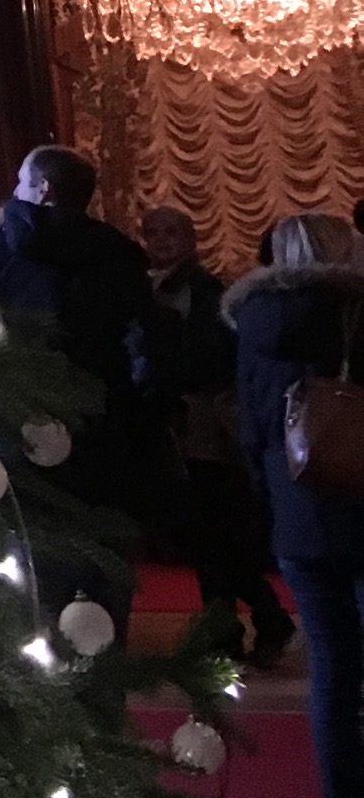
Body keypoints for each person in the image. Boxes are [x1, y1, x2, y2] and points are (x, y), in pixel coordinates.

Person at [0, 144, 158, 636]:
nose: (14, 190)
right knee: (104, 551)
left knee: (29, 551)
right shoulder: (119, 256)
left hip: (17, 424)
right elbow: (148, 345)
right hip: (106, 425)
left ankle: (39, 655)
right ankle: (103, 660)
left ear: (43, 189)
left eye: (20, 181)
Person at [227, 212, 364, 798]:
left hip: (299, 520)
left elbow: (252, 431)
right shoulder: (354, 311)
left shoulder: (252, 320)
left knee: (332, 677)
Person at [139, 204, 290, 665]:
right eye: (153, 232)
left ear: (191, 239)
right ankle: (231, 631)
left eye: (171, 231)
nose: (162, 240)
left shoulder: (203, 290)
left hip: (204, 429)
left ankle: (256, 622)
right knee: (205, 539)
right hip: (176, 426)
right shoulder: (149, 288)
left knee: (215, 536)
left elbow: (206, 360)